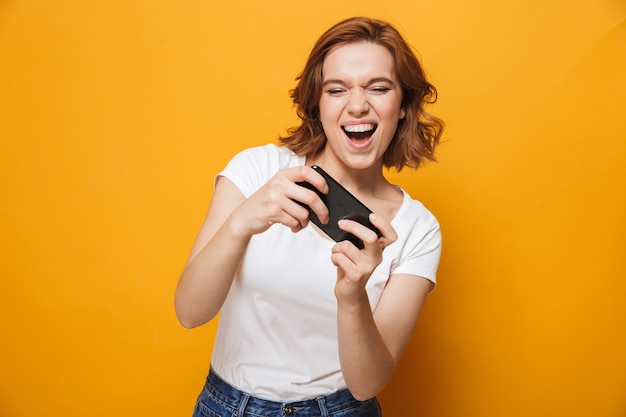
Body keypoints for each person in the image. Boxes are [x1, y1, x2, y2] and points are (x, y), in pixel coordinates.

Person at [175, 16, 444, 417]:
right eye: (337, 90)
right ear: (317, 104)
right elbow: (189, 312)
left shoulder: (418, 229)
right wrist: (242, 222)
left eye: (379, 88)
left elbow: (367, 383)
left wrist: (351, 297)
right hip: (228, 405)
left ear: (403, 106)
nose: (357, 105)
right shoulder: (258, 169)